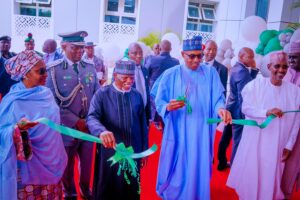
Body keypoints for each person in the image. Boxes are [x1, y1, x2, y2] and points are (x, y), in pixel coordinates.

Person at [152, 36, 232, 199]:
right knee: (179, 162)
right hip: (179, 129)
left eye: (199, 55)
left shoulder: (210, 73)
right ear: (182, 54)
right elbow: (159, 100)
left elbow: (218, 98)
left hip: (202, 130)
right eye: (192, 56)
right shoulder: (171, 74)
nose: (196, 60)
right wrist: (168, 106)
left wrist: (221, 109)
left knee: (199, 162)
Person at [227, 51, 300, 200]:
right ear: (269, 66)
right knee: (253, 174)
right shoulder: (255, 85)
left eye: (284, 67)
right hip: (257, 142)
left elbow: (297, 120)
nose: (281, 70)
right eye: (277, 66)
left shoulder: (295, 91)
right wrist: (266, 112)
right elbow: (245, 108)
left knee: (273, 176)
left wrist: (289, 145)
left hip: (279, 144)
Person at [0, 50, 67, 199]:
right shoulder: (13, 101)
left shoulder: (46, 94)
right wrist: (17, 129)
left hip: (53, 161)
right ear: (25, 73)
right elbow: (2, 133)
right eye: (40, 71)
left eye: (46, 70)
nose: (46, 75)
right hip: (28, 170)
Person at [46, 31, 99, 200]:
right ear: (63, 46)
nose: (79, 52)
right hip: (67, 129)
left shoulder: (89, 67)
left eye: (81, 48)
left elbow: (97, 96)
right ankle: (69, 191)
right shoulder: (53, 70)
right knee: (67, 164)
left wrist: (90, 120)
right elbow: (51, 103)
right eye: (74, 48)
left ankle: (85, 188)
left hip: (88, 128)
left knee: (87, 162)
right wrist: (76, 121)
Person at [87, 59, 148, 200]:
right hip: (110, 152)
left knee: (131, 186)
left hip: (133, 151)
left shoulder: (136, 95)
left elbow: (143, 125)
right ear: (115, 76)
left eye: (131, 78)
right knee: (108, 187)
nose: (129, 81)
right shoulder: (102, 94)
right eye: (124, 78)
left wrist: (144, 150)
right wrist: (101, 131)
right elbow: (91, 118)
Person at [219, 47, 259, 169]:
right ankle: (235, 167)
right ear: (241, 57)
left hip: (231, 108)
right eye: (250, 57)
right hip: (238, 110)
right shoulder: (242, 71)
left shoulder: (237, 68)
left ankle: (221, 162)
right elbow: (246, 94)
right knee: (238, 140)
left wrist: (253, 69)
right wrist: (245, 114)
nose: (253, 59)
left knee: (226, 136)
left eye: (253, 56)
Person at [144, 40, 179, 129]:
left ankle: (154, 123)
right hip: (169, 92)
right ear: (171, 49)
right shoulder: (176, 62)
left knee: (155, 110)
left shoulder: (152, 59)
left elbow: (146, 73)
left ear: (160, 48)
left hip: (154, 91)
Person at [281, 41, 300, 198]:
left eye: (295, 57)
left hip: (298, 130)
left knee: (292, 164)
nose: (291, 61)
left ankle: (285, 194)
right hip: (283, 125)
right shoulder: (287, 74)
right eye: (290, 58)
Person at [128, 42, 151, 123]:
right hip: (129, 114)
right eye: (135, 53)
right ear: (129, 54)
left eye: (141, 53)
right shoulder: (123, 70)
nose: (139, 56)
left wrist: (148, 115)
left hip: (143, 113)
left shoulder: (145, 70)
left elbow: (146, 91)